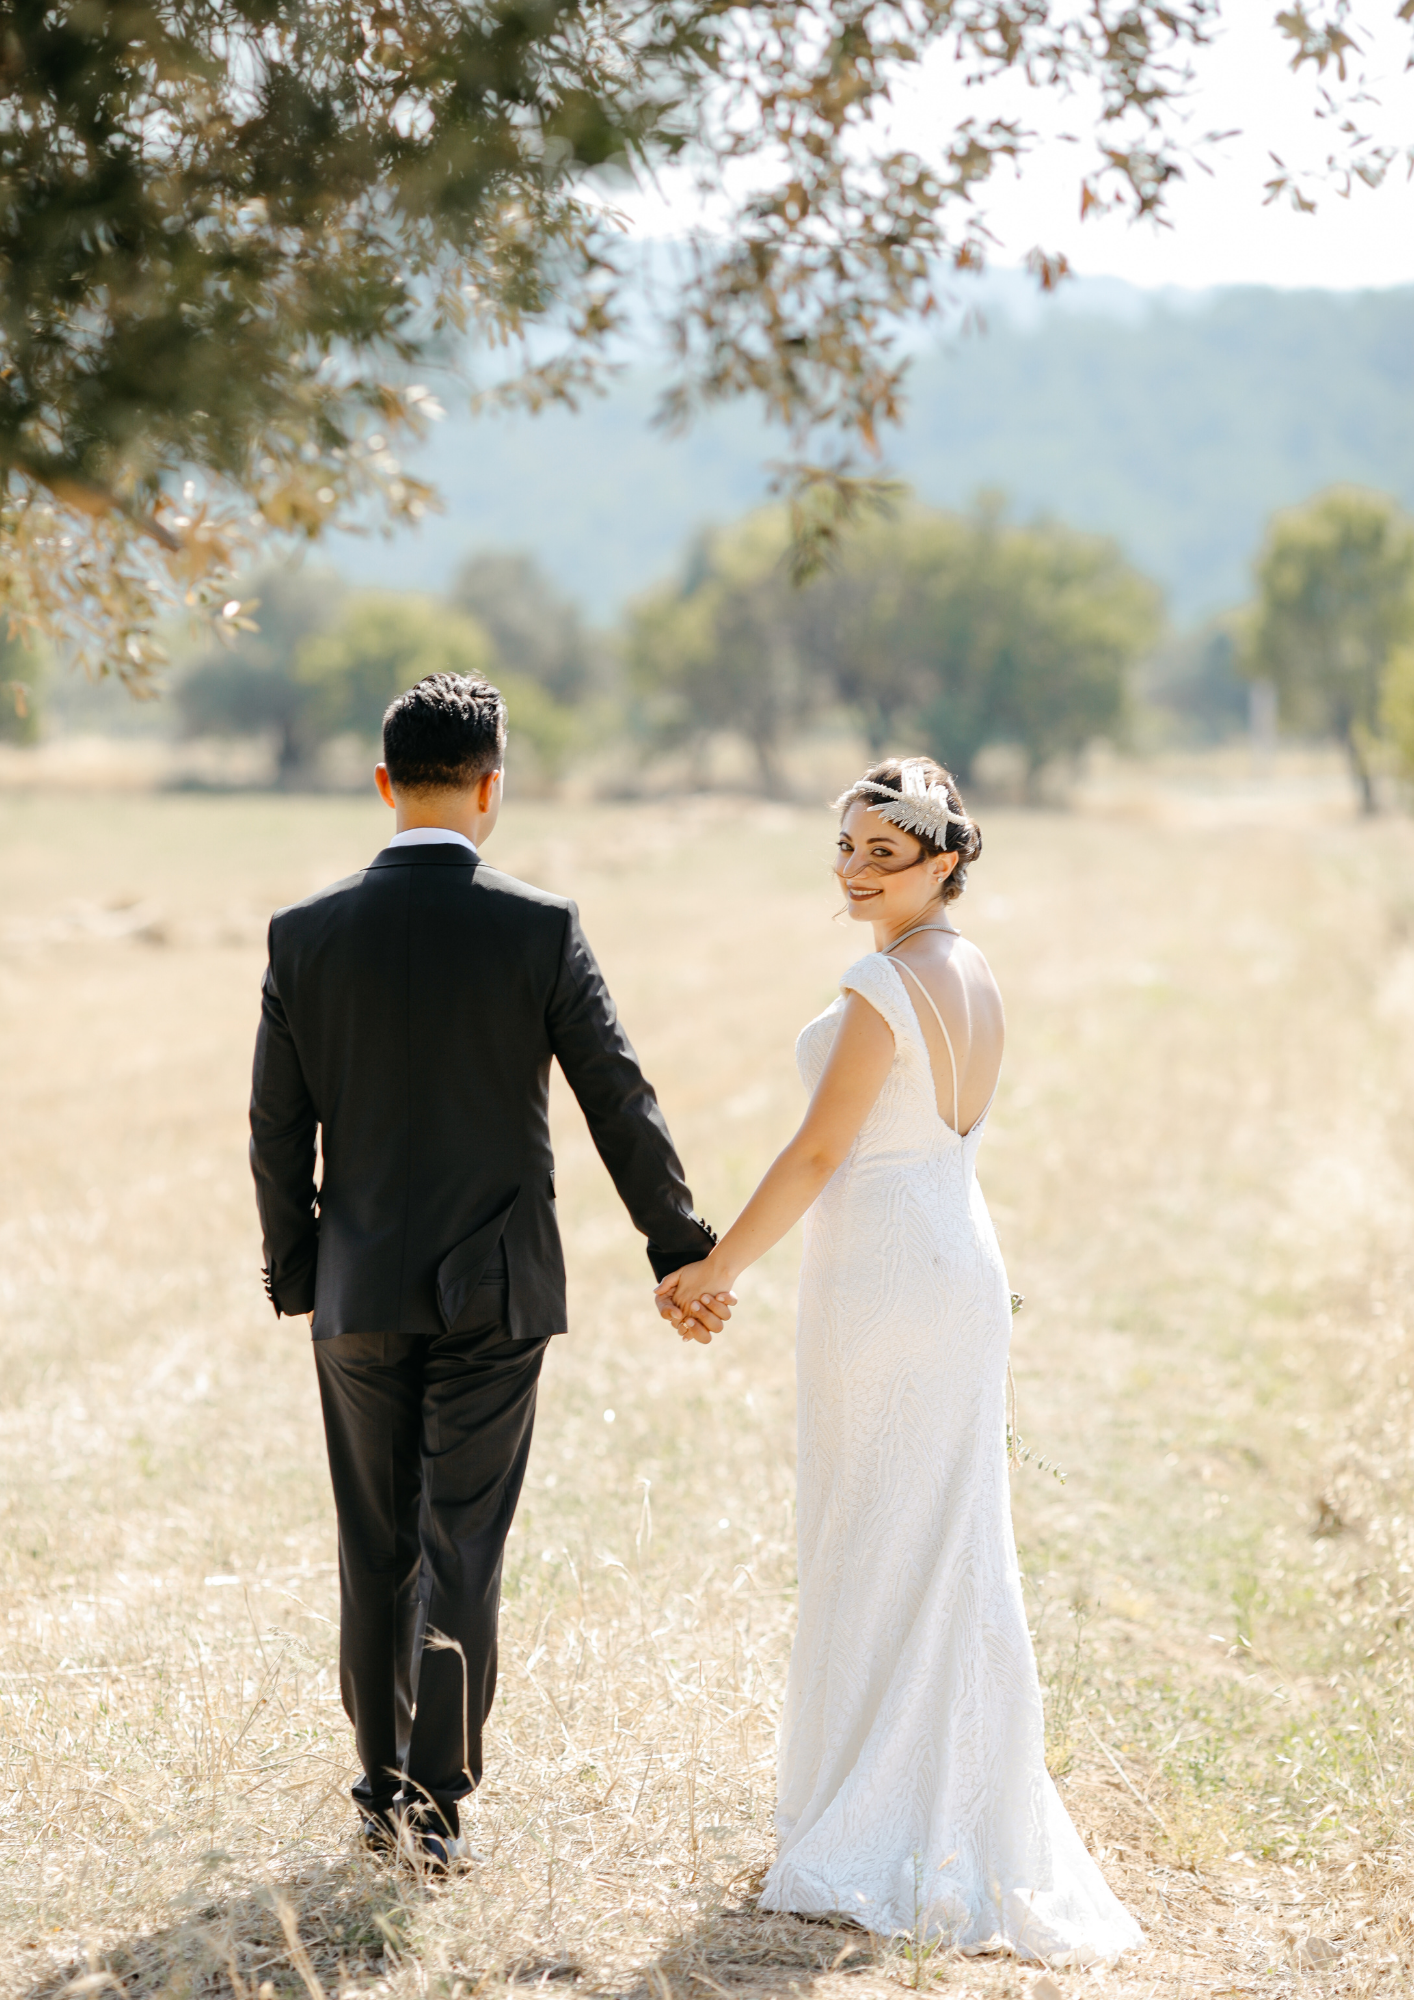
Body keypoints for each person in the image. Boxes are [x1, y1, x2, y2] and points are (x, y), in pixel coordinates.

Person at [655, 757, 1140, 1963]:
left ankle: (876, 1820)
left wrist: (712, 1270)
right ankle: (947, 1806)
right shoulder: (967, 969)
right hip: (955, 1258)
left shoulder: (882, 981)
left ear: (944, 859)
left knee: (877, 1524)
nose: (857, 870)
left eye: (885, 852)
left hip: (883, 1272)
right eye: (846, 848)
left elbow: (820, 1153)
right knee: (942, 1529)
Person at [249, 672, 727, 1869]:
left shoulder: (303, 934)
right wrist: (680, 1246)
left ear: (382, 783)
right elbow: (618, 1096)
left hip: (357, 1290)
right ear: (491, 786)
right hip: (499, 1290)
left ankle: (375, 1786)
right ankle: (435, 1805)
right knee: (461, 1538)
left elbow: (272, 1126)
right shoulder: (539, 925)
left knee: (376, 1540)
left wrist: (301, 1268)